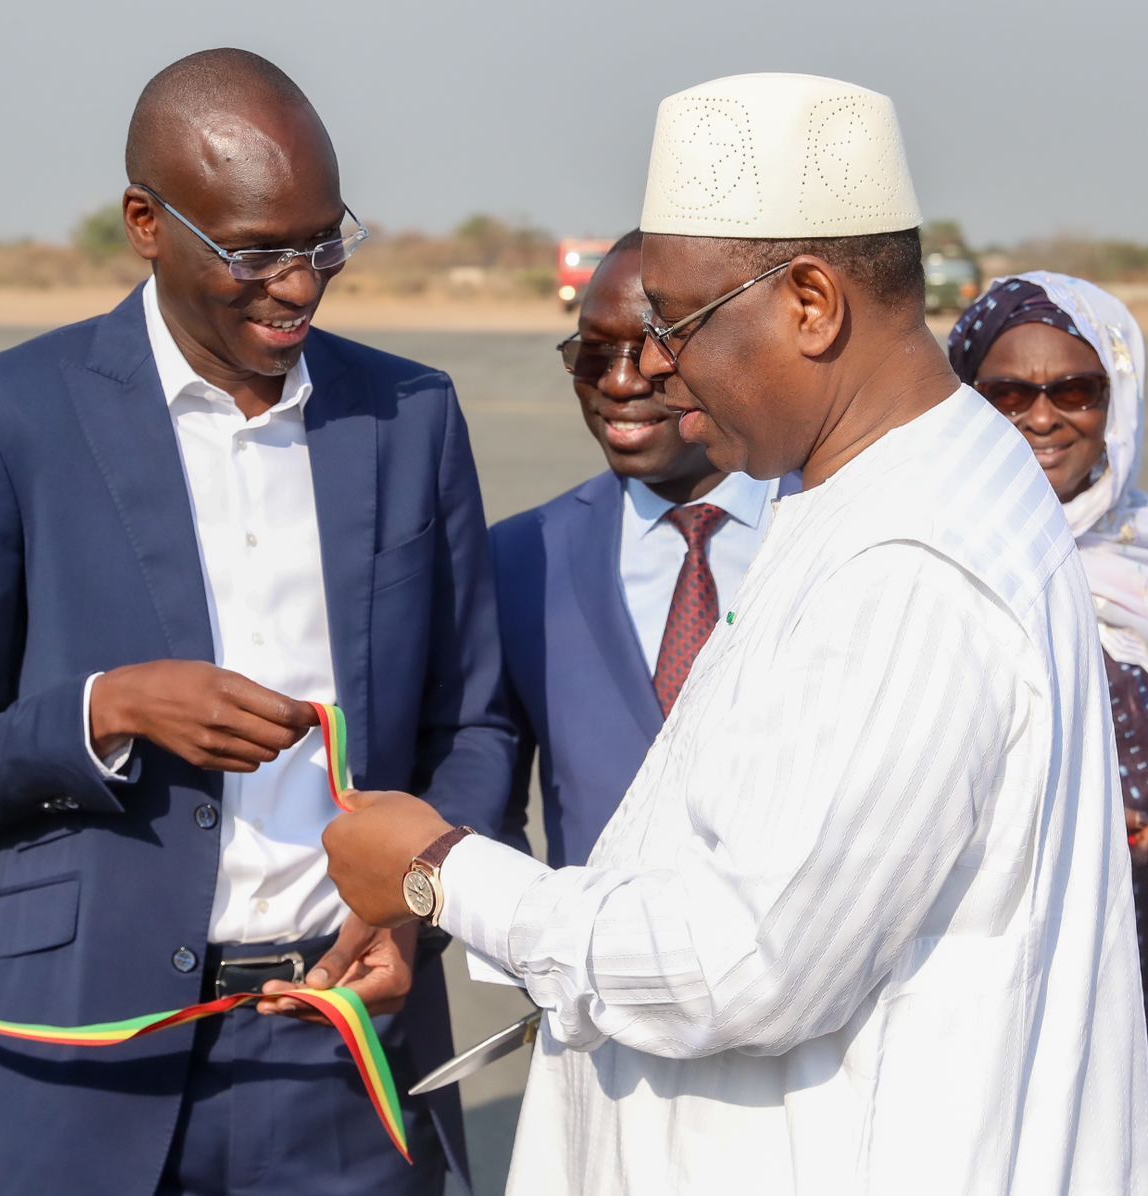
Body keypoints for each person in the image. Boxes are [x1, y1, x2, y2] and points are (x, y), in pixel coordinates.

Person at [317, 73, 1147, 1194]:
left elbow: (739, 960)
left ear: (810, 301)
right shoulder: (879, 483)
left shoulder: (912, 562)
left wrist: (439, 872)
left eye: (676, 320)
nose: (652, 363)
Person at [0, 50, 512, 1196]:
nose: (300, 286)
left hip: (335, 1046)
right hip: (78, 1060)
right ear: (146, 222)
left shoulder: (411, 413)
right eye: (256, 251)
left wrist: (420, 897)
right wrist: (108, 709)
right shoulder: (13, 412)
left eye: (323, 243)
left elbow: (474, 724)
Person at [495, 230, 796, 865]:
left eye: (656, 351)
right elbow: (484, 781)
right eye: (593, 354)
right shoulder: (522, 558)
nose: (622, 382)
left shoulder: (827, 530)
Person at [948, 271, 1148, 1004]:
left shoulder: (1139, 554)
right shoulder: (932, 560)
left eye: (1074, 390)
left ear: (1116, 402)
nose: (1041, 418)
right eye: (1004, 395)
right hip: (996, 969)